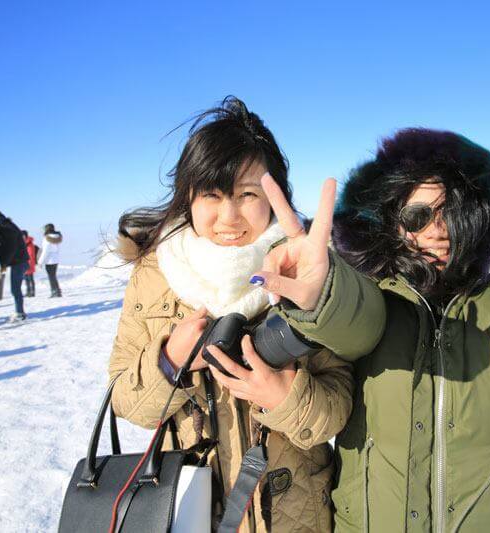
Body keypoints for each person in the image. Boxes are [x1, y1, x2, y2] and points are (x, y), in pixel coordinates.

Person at [251, 128, 490, 532]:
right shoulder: (377, 300)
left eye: (454, 212)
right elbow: (353, 315)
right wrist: (324, 290)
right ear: (392, 221)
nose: (438, 230)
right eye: (418, 215)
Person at [108, 96, 352, 532]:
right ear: (189, 196)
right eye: (212, 195)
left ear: (274, 196)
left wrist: (284, 397)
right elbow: (126, 401)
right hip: (187, 512)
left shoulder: (305, 271)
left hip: (296, 518)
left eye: (247, 195)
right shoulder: (156, 273)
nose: (228, 217)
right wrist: (168, 363)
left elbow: (339, 411)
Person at [0, 208, 29, 321]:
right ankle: (20, 311)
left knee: (15, 289)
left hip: (18, 262)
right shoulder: (7, 226)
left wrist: (4, 264)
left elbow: (10, 248)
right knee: (15, 288)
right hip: (19, 261)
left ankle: (20, 313)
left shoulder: (5, 228)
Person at [37, 223, 62, 297]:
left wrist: (40, 262)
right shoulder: (57, 237)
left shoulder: (47, 238)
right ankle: (57, 291)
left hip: (49, 260)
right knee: (53, 276)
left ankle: (54, 291)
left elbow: (45, 251)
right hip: (56, 260)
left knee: (51, 277)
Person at [22, 230, 38, 297]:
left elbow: (31, 255)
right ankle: (28, 291)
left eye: (23, 236)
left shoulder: (29, 244)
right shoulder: (24, 243)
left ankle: (32, 292)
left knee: (30, 278)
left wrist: (28, 263)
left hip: (29, 263)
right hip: (24, 263)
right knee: (26, 278)